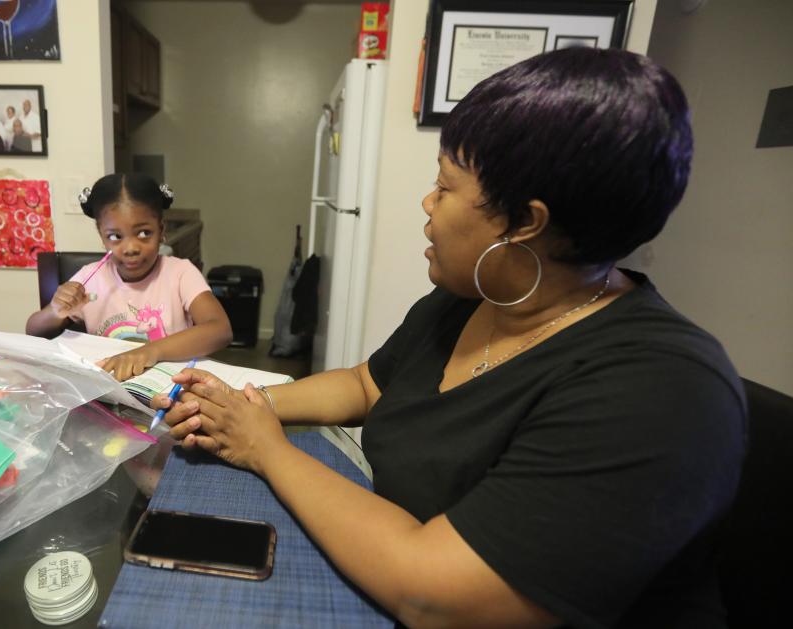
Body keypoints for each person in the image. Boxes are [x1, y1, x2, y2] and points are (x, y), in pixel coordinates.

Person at [159, 48, 746, 628]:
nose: (427, 202)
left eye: (444, 187)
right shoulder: (473, 297)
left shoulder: (661, 391)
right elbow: (367, 384)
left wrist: (267, 448)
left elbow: (436, 596)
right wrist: (240, 407)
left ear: (524, 222)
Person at [25, 173, 233, 381]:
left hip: (169, 386)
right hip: (110, 387)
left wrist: (150, 351)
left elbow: (220, 329)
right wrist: (55, 310)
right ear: (102, 237)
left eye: (144, 233)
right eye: (115, 237)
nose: (131, 248)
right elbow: (34, 331)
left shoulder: (180, 273)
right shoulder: (89, 277)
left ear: (161, 230)